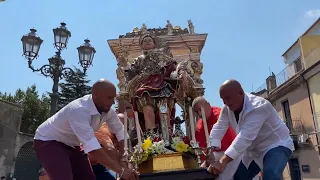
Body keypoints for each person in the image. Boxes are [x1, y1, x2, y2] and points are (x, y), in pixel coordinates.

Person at [33, 79, 138, 180]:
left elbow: (121, 132)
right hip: (48, 141)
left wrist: (124, 157)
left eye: (113, 98)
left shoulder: (107, 111)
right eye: (109, 98)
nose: (112, 102)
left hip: (73, 145)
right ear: (96, 95)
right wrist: (121, 171)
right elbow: (93, 149)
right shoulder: (78, 110)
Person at [207, 79, 294, 180]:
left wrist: (222, 161)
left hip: (276, 144)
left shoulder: (258, 106)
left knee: (271, 175)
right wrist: (211, 150)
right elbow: (219, 127)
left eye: (227, 98)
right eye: (223, 99)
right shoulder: (227, 108)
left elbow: (244, 137)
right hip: (253, 151)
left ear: (240, 93)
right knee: (240, 177)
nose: (225, 102)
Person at [192, 97, 239, 180]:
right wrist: (207, 159)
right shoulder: (200, 125)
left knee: (223, 177)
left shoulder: (220, 115)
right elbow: (203, 148)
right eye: (196, 112)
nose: (199, 114)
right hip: (215, 153)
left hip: (232, 150)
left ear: (208, 105)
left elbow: (224, 140)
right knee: (200, 173)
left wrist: (213, 157)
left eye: (200, 109)